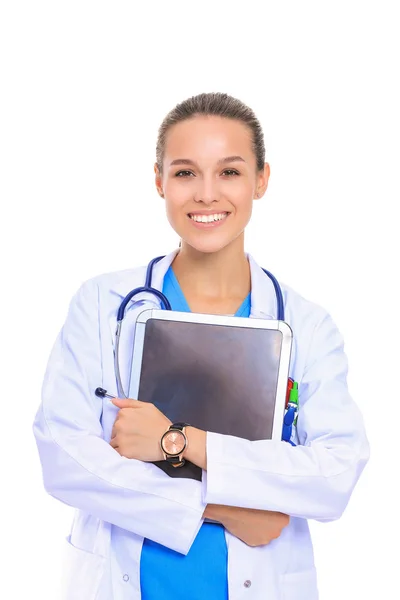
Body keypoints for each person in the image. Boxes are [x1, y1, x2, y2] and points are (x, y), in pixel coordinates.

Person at [33, 92, 369, 600]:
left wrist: (178, 441)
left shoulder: (307, 325)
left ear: (261, 180)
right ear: (159, 181)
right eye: (186, 173)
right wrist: (230, 507)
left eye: (229, 172)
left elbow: (335, 475)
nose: (207, 194)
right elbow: (64, 458)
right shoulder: (103, 304)